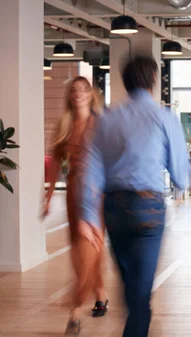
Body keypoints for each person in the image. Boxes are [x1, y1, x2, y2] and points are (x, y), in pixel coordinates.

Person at [79, 55, 189, 337]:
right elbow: (180, 174)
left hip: (114, 209)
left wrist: (87, 215)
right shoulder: (163, 118)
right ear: (154, 81)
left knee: (130, 287)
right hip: (147, 209)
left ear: (125, 83)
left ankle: (138, 322)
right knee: (140, 294)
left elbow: (91, 169)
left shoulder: (107, 120)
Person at [42, 76, 109, 335]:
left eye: (84, 89)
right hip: (73, 192)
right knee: (83, 248)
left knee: (89, 248)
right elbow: (56, 163)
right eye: (74, 90)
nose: (79, 93)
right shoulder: (65, 124)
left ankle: (75, 311)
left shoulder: (101, 124)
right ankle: (100, 294)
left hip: (96, 193)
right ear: (70, 96)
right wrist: (48, 197)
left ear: (91, 94)